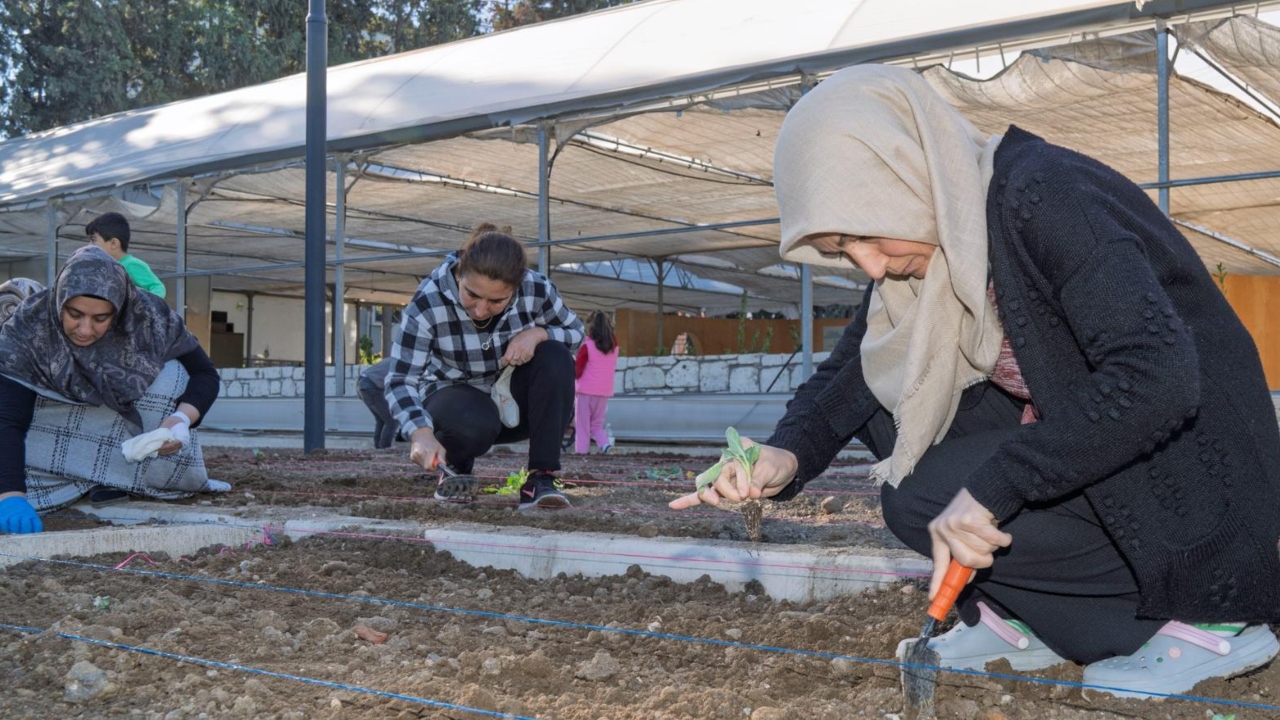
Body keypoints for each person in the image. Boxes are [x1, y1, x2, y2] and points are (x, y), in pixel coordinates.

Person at [672, 65, 1280, 699]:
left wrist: (997, 485)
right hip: (1109, 467)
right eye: (841, 249)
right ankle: (1030, 621)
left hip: (1204, 470)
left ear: (905, 169)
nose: (869, 264)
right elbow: (846, 377)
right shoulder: (934, 249)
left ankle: (1218, 609)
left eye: (863, 233)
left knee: (943, 491)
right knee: (903, 433)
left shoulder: (1045, 195)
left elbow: (1157, 375)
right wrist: (782, 457)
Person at [0, 246, 224, 534]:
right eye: (74, 314)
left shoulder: (149, 318)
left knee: (174, 373)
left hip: (123, 435)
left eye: (100, 319)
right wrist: (10, 495)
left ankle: (117, 476)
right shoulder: (28, 328)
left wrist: (179, 421)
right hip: (51, 431)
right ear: (59, 301)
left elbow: (205, 374)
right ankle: (72, 478)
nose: (84, 329)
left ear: (118, 311)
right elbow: (9, 420)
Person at [385, 223, 584, 509]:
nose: (480, 310)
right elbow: (400, 380)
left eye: (496, 301)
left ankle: (541, 480)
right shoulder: (428, 302)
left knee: (556, 355)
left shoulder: (536, 289)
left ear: (515, 289)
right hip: (455, 401)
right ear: (460, 271)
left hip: (510, 400)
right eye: (472, 295)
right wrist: (420, 432)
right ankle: (454, 469)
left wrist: (539, 334)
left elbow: (576, 332)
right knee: (473, 422)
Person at [86, 212, 167, 298]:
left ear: (114, 243)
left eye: (93, 240)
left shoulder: (131, 265)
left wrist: (146, 306)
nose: (89, 245)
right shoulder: (105, 268)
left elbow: (157, 287)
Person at [574, 310, 620, 454]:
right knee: (597, 425)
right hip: (604, 392)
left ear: (591, 327)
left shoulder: (587, 347)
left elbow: (577, 371)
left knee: (582, 425)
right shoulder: (615, 348)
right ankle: (605, 445)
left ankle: (581, 452)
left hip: (585, 392)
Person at [358, 356, 398, 449]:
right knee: (392, 420)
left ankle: (378, 449)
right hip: (371, 386)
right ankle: (384, 449)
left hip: (364, 383)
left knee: (382, 420)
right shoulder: (402, 365)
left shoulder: (395, 359)